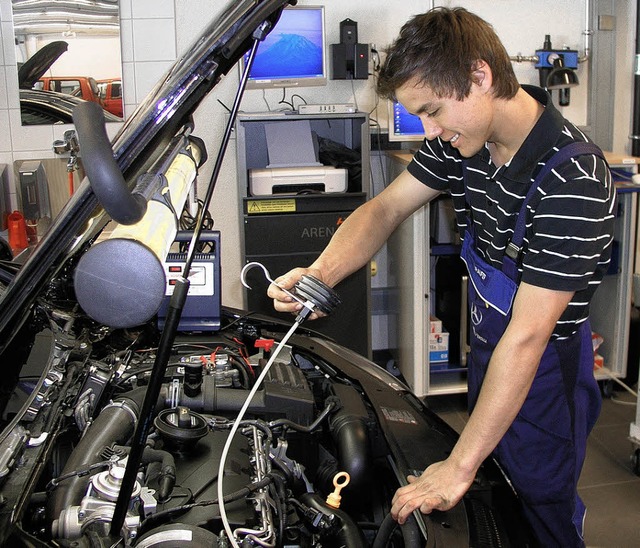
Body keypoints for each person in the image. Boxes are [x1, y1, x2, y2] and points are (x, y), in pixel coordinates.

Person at [268, 7, 616, 547]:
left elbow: (527, 337)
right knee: (500, 508)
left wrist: (458, 465)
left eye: (432, 111)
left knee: (542, 511)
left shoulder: (572, 176)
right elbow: (382, 210)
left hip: (543, 378)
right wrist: (319, 274)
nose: (429, 132)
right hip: (490, 357)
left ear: (480, 76)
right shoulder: (465, 144)